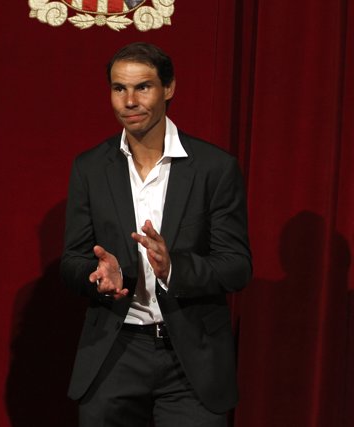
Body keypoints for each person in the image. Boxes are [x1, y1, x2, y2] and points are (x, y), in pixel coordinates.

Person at [60, 42, 252, 427]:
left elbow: (236, 267)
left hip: (191, 359)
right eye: (119, 89)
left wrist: (173, 269)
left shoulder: (215, 168)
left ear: (169, 88)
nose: (129, 101)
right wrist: (97, 277)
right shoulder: (90, 168)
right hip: (115, 351)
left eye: (142, 87)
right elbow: (72, 261)